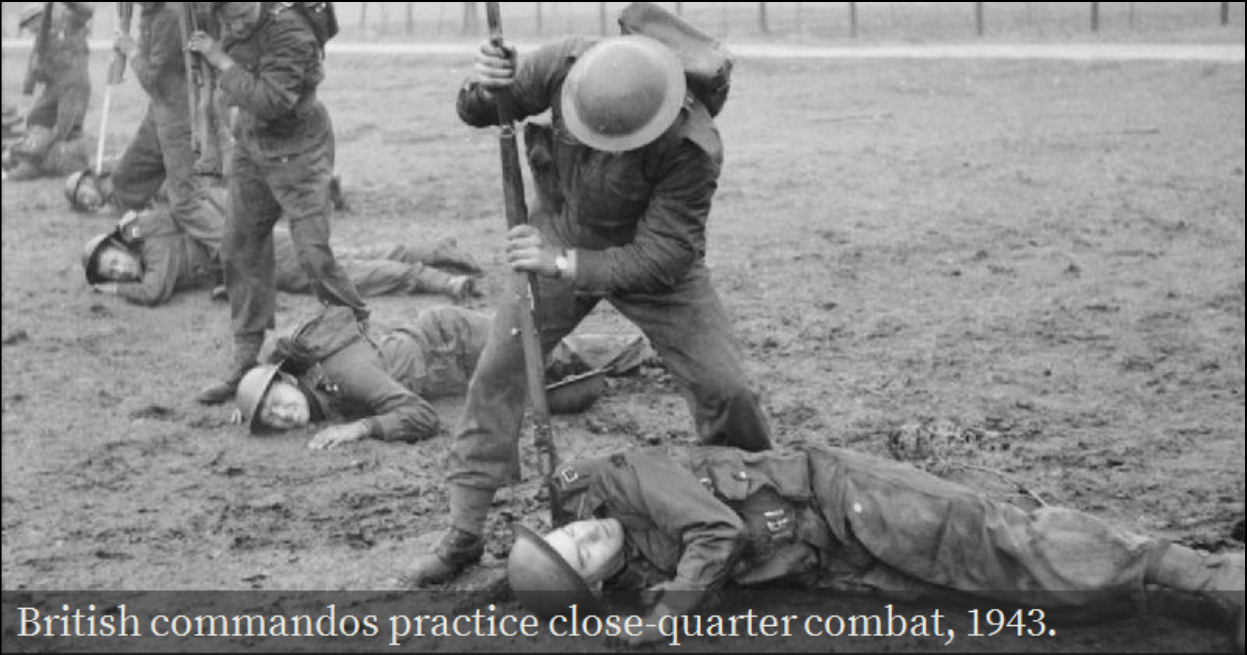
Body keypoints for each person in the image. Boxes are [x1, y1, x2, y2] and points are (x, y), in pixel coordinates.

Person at [405, 22, 774, 586]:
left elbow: (664, 254)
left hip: (652, 265)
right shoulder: (563, 65)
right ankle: (464, 528)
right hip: (559, 232)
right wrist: (485, 87)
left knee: (727, 389)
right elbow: (483, 112)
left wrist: (564, 264)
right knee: (498, 372)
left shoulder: (693, 145)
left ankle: (761, 503)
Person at [507, 444, 1246, 649]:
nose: (586, 534)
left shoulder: (623, 477)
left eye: (569, 530)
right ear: (596, 581)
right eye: (581, 554)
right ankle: (1176, 600)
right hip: (836, 559)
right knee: (1002, 596)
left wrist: (664, 617)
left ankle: (1214, 576)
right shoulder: (637, 575)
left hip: (844, 495)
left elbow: (717, 530)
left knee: (1005, 545)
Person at [186, 2, 369, 405]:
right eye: (227, 17)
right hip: (253, 146)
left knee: (313, 254)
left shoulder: (292, 32)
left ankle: (358, 332)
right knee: (240, 247)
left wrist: (219, 60)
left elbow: (271, 101)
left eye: (241, 15)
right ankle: (245, 358)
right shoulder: (220, 17)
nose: (234, 25)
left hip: (300, 151)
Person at [232, 306, 646, 449]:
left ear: (289, 382)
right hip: (451, 366)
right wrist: (250, 401)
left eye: (277, 401)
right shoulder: (307, 379)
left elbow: (422, 416)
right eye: (271, 418)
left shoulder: (344, 375)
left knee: (553, 355)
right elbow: (273, 360)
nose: (282, 414)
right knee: (544, 372)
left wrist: (361, 428)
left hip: (453, 341)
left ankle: (649, 350)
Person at [82, 188, 484, 307]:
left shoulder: (154, 250)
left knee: (341, 275)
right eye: (112, 272)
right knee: (347, 255)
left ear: (121, 246)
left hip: (261, 256)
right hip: (259, 244)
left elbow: (154, 291)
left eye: (114, 261)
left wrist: (114, 290)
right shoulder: (153, 230)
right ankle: (434, 249)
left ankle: (439, 280)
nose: (119, 270)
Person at [109, 2, 222, 253]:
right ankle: (145, 238)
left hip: (181, 115)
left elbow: (155, 80)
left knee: (186, 202)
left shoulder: (170, 16)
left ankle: (232, 254)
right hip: (161, 110)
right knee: (126, 180)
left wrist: (131, 51)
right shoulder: (153, 12)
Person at [7, 2, 93, 181]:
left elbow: (86, 12)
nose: (30, 29)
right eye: (27, 26)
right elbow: (36, 68)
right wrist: (33, 76)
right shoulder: (41, 38)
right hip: (54, 86)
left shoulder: (67, 20)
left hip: (74, 84)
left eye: (30, 23)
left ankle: (56, 162)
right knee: (36, 118)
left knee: (66, 129)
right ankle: (30, 157)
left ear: (39, 17)